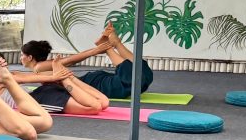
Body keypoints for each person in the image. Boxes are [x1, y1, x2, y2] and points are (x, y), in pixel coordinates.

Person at [21, 21, 154, 99]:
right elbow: (70, 61)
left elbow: (70, 61)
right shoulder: (40, 69)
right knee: (144, 75)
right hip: (94, 82)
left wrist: (96, 51)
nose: (21, 58)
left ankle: (110, 47)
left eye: (22, 55)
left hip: (92, 84)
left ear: (30, 57)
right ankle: (116, 44)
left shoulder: (38, 68)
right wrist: (95, 50)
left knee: (134, 79)